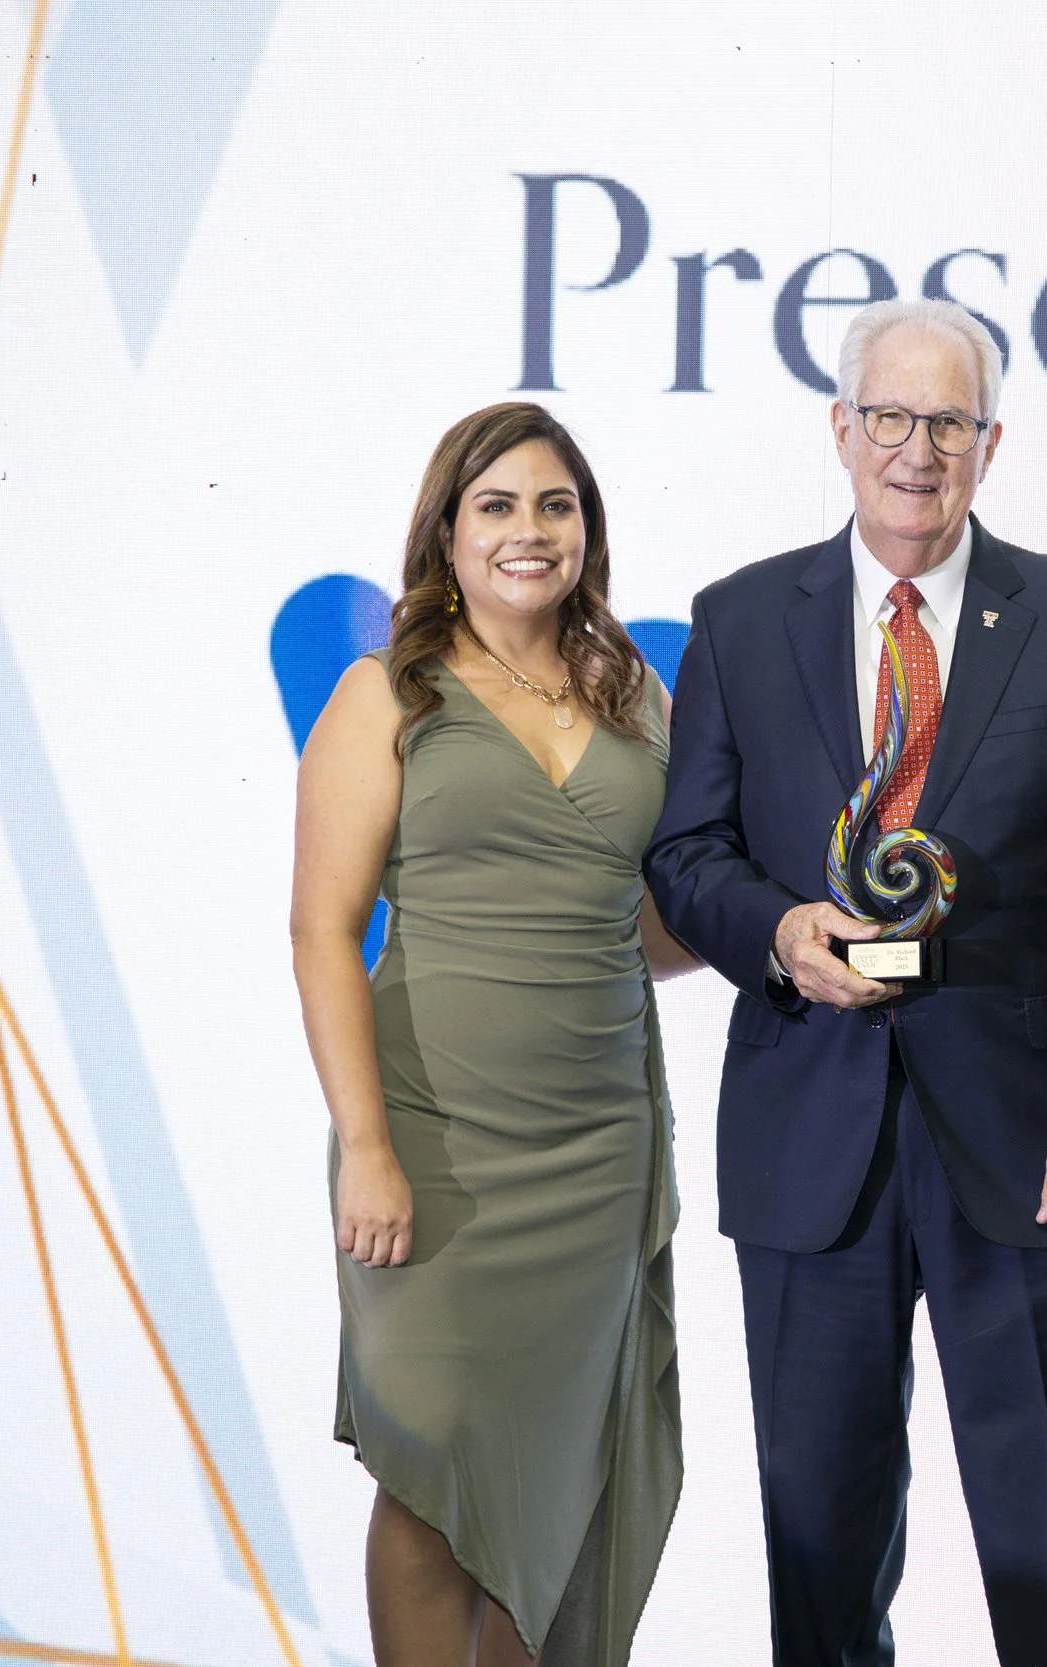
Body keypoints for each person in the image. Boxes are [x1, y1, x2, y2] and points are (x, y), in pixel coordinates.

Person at [645, 298, 1047, 1667]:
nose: (915, 450)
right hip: (812, 1142)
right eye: (889, 416)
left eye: (947, 421)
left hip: (1036, 1152)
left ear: (991, 442)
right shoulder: (740, 619)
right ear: (840, 428)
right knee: (819, 1564)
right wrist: (780, 931)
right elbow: (685, 854)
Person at [290, 402, 697, 1667]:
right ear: (448, 532)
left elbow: (648, 927)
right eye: (499, 504)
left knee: (551, 1485)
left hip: (596, 1160)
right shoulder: (385, 695)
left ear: (588, 530)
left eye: (555, 504)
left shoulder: (637, 696)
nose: (531, 529)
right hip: (431, 1143)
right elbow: (322, 929)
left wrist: (790, 924)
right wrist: (366, 1146)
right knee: (429, 1470)